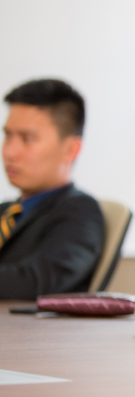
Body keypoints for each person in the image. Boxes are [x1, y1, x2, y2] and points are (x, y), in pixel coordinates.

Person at [0, 79, 104, 300]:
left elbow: (36, 282)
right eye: (7, 136)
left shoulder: (80, 213)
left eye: (27, 139)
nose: (10, 151)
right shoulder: (6, 212)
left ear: (71, 149)